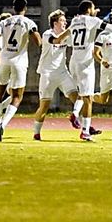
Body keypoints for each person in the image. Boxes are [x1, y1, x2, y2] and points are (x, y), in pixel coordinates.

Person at [0, 0, 41, 142]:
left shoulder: (4, 21)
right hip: (19, 62)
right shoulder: (28, 22)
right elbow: (37, 40)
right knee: (17, 96)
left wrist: (0, 50)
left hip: (4, 60)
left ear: (13, 8)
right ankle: (2, 125)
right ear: (25, 8)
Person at [32, 9, 83, 141]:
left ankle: (84, 127)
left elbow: (78, 41)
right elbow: (58, 40)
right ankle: (36, 133)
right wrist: (72, 27)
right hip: (47, 74)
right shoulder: (47, 34)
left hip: (62, 73)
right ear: (55, 23)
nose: (65, 22)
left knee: (79, 98)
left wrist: (81, 24)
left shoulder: (67, 35)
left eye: (65, 20)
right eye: (62, 20)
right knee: (44, 106)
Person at [68, 0, 106, 141]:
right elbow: (107, 27)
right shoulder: (92, 20)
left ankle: (75, 112)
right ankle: (85, 132)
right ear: (89, 9)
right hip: (85, 63)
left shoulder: (74, 21)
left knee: (82, 94)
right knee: (88, 98)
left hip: (74, 61)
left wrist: (93, 16)